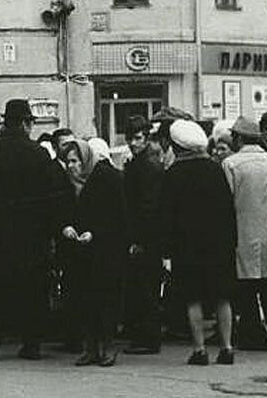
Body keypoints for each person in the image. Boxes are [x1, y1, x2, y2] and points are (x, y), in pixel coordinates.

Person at [0, 99, 66, 361]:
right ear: (25, 123)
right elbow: (51, 196)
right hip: (32, 235)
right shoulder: (39, 154)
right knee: (32, 291)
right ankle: (31, 344)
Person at [160, 120, 236, 365]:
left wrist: (167, 249)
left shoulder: (172, 175)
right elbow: (228, 209)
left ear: (177, 147)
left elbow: (167, 215)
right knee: (222, 296)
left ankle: (199, 349)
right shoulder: (215, 169)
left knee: (192, 297)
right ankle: (226, 348)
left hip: (187, 246)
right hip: (219, 244)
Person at [221, 116, 267, 352]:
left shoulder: (230, 165)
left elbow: (226, 204)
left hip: (242, 236)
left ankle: (253, 337)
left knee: (246, 292)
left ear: (238, 138)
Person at [59, 139, 127, 367]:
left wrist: (95, 233)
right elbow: (61, 210)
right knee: (84, 299)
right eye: (67, 162)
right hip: (78, 251)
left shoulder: (107, 178)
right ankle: (90, 348)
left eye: (74, 161)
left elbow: (118, 216)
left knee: (105, 299)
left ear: (85, 159)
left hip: (104, 251)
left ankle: (107, 346)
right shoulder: (68, 183)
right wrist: (66, 226)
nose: (70, 166)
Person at [122, 115, 165, 355]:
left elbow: (147, 207)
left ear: (146, 138)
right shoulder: (145, 161)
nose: (132, 143)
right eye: (130, 138)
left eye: (137, 138)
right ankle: (146, 337)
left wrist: (139, 240)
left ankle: (147, 338)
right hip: (147, 238)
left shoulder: (146, 164)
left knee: (145, 289)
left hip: (145, 239)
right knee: (144, 287)